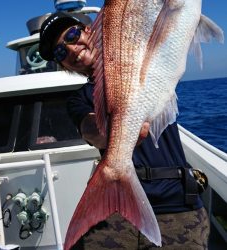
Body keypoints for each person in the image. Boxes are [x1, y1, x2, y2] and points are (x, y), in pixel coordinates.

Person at [39, 11, 210, 250]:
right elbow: (91, 130)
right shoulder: (78, 99)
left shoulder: (142, 56)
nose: (71, 50)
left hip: (178, 206)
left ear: (88, 29)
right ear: (62, 64)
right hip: (118, 215)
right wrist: (117, 129)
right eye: (60, 52)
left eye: (72, 35)